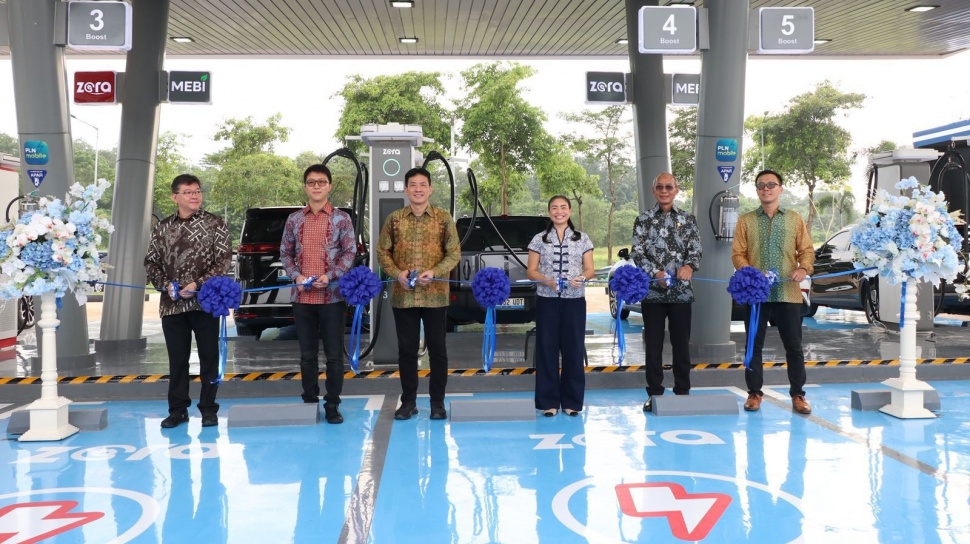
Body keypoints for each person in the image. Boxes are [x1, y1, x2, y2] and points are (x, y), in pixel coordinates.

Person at [145, 173, 232, 428]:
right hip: (172, 305)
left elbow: (223, 261)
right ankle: (178, 410)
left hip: (205, 303)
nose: (195, 196)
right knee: (177, 360)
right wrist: (166, 285)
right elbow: (151, 262)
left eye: (197, 191)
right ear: (175, 197)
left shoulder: (215, 223)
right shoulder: (162, 227)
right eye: (188, 192)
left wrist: (197, 284)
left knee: (209, 358)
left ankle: (208, 409)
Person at [376, 166, 460, 421]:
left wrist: (435, 271)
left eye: (423, 185)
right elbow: (382, 252)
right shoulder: (395, 219)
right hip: (405, 296)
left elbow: (454, 253)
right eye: (413, 185)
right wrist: (397, 273)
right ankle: (408, 402)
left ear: (430, 189)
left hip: (435, 295)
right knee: (407, 351)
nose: (418, 189)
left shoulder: (443, 218)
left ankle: (437, 403)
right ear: (405, 190)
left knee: (438, 351)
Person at [732, 169, 815, 414]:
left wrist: (803, 268)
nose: (766, 189)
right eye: (761, 185)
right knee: (753, 346)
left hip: (788, 292)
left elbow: (807, 250)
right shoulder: (746, 220)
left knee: (794, 347)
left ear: (780, 188)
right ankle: (754, 393)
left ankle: (798, 395)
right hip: (755, 295)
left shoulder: (794, 219)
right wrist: (751, 274)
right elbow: (738, 254)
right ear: (757, 190)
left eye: (771, 184)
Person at [280, 164, 357, 424]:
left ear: (329, 186)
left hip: (332, 298)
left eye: (321, 182)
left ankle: (332, 404)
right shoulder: (294, 219)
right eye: (311, 182)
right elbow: (285, 253)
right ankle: (310, 402)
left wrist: (331, 275)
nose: (316, 186)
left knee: (334, 356)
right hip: (302, 298)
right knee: (307, 356)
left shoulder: (341, 218)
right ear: (305, 187)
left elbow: (349, 252)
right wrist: (296, 276)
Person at [631, 173, 702, 412]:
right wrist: (655, 273)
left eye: (669, 187)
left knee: (681, 344)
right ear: (653, 191)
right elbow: (637, 253)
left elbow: (696, 250)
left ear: (676, 190)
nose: (664, 191)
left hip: (681, 294)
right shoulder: (643, 220)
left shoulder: (688, 219)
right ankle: (654, 394)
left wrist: (689, 266)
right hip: (652, 293)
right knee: (653, 345)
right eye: (659, 187)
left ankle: (682, 392)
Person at [527, 195, 595, 417]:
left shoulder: (583, 238)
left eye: (563, 207)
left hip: (574, 301)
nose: (559, 211)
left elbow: (590, 269)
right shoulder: (539, 239)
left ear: (570, 211)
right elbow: (532, 271)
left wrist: (582, 278)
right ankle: (548, 402)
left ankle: (572, 402)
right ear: (549, 212)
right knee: (546, 348)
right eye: (554, 208)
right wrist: (548, 281)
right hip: (547, 300)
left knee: (573, 349)